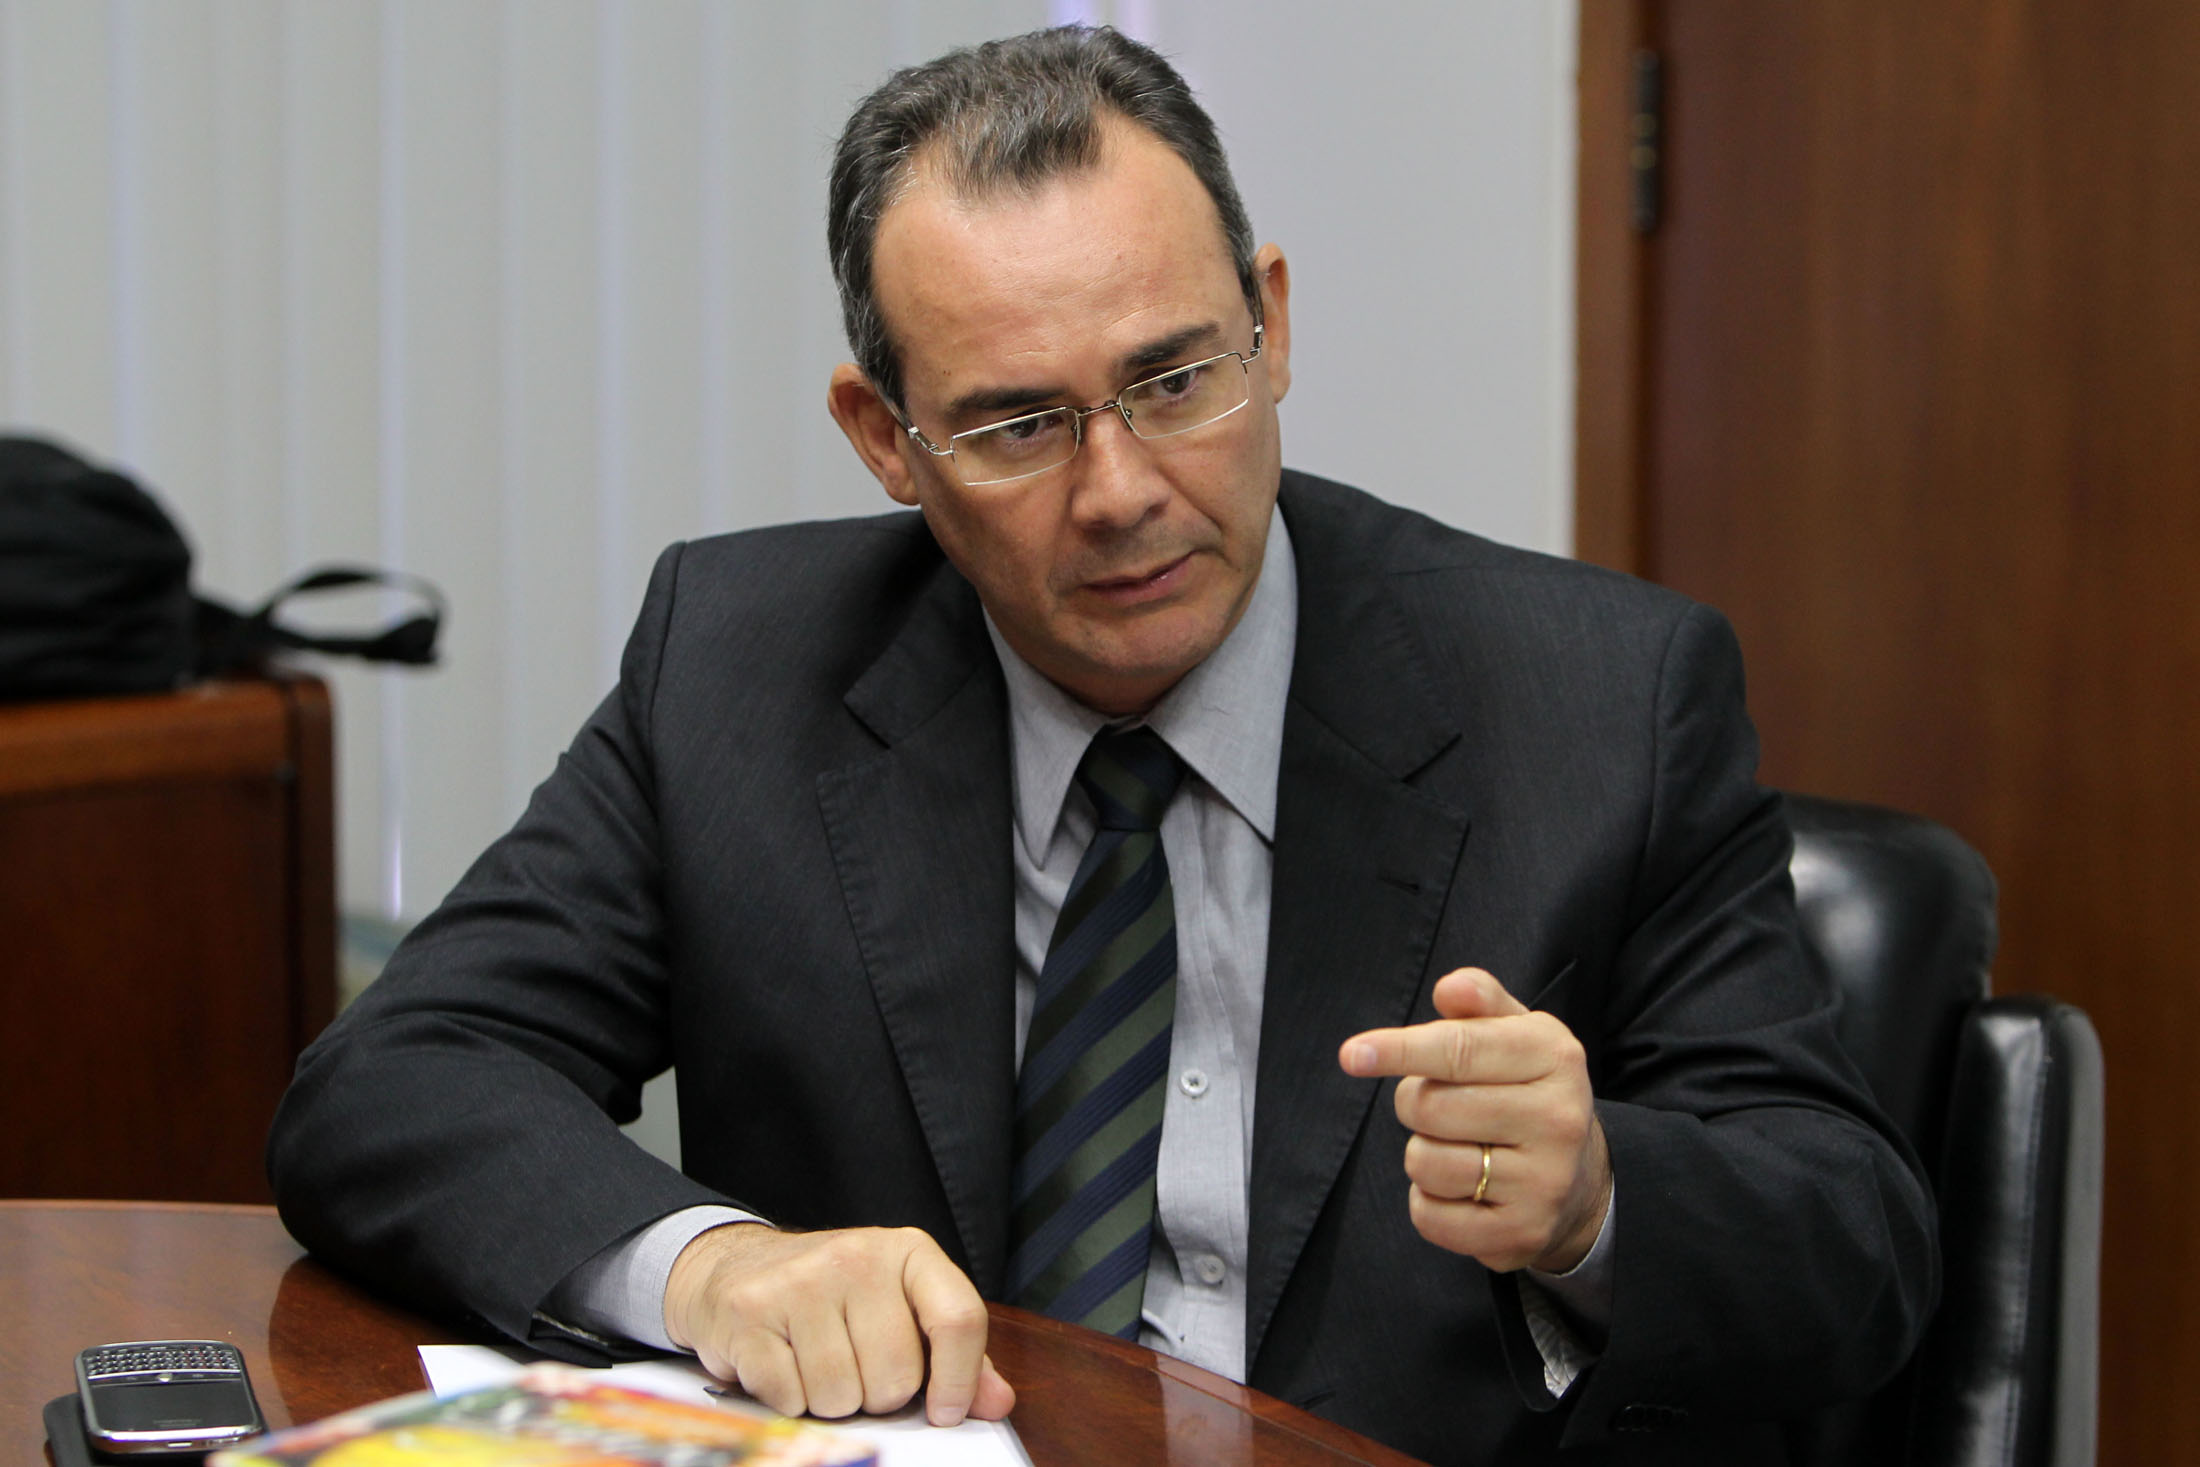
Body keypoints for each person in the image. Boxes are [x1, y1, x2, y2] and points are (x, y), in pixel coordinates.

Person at [269, 25, 1935, 1464]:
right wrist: (713, 1268)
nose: (1124, 489)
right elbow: (398, 1080)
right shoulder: (739, 668)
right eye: (1019, 424)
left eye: (1177, 380)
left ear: (1269, 323)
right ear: (886, 440)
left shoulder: (1599, 699)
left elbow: (1857, 1246)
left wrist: (1597, 1202)